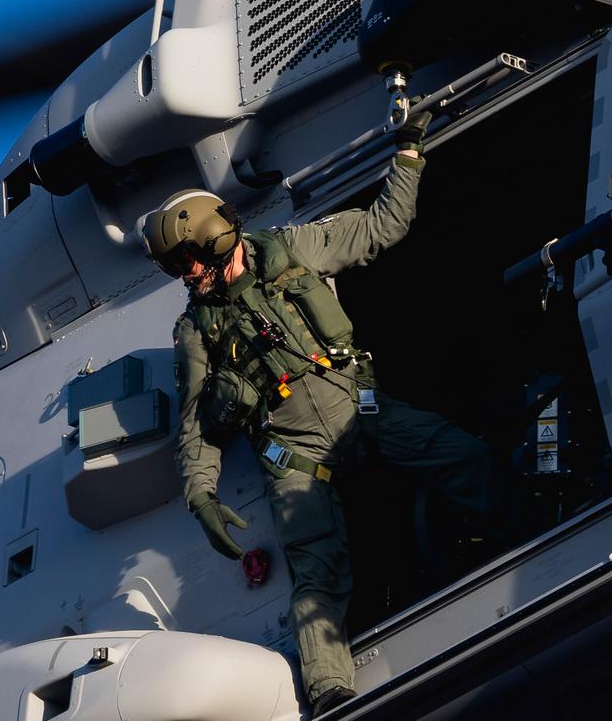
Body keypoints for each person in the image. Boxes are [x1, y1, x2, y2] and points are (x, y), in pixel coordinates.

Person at [141, 115, 499, 717]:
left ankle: (522, 529)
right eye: (176, 268)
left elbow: (384, 226)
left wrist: (408, 152)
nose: (185, 278)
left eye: (187, 263)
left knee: (467, 457)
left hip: (361, 410)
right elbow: (197, 424)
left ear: (213, 243)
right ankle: (331, 692)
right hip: (294, 455)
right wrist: (201, 494)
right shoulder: (195, 330)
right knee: (316, 575)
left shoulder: (293, 250)